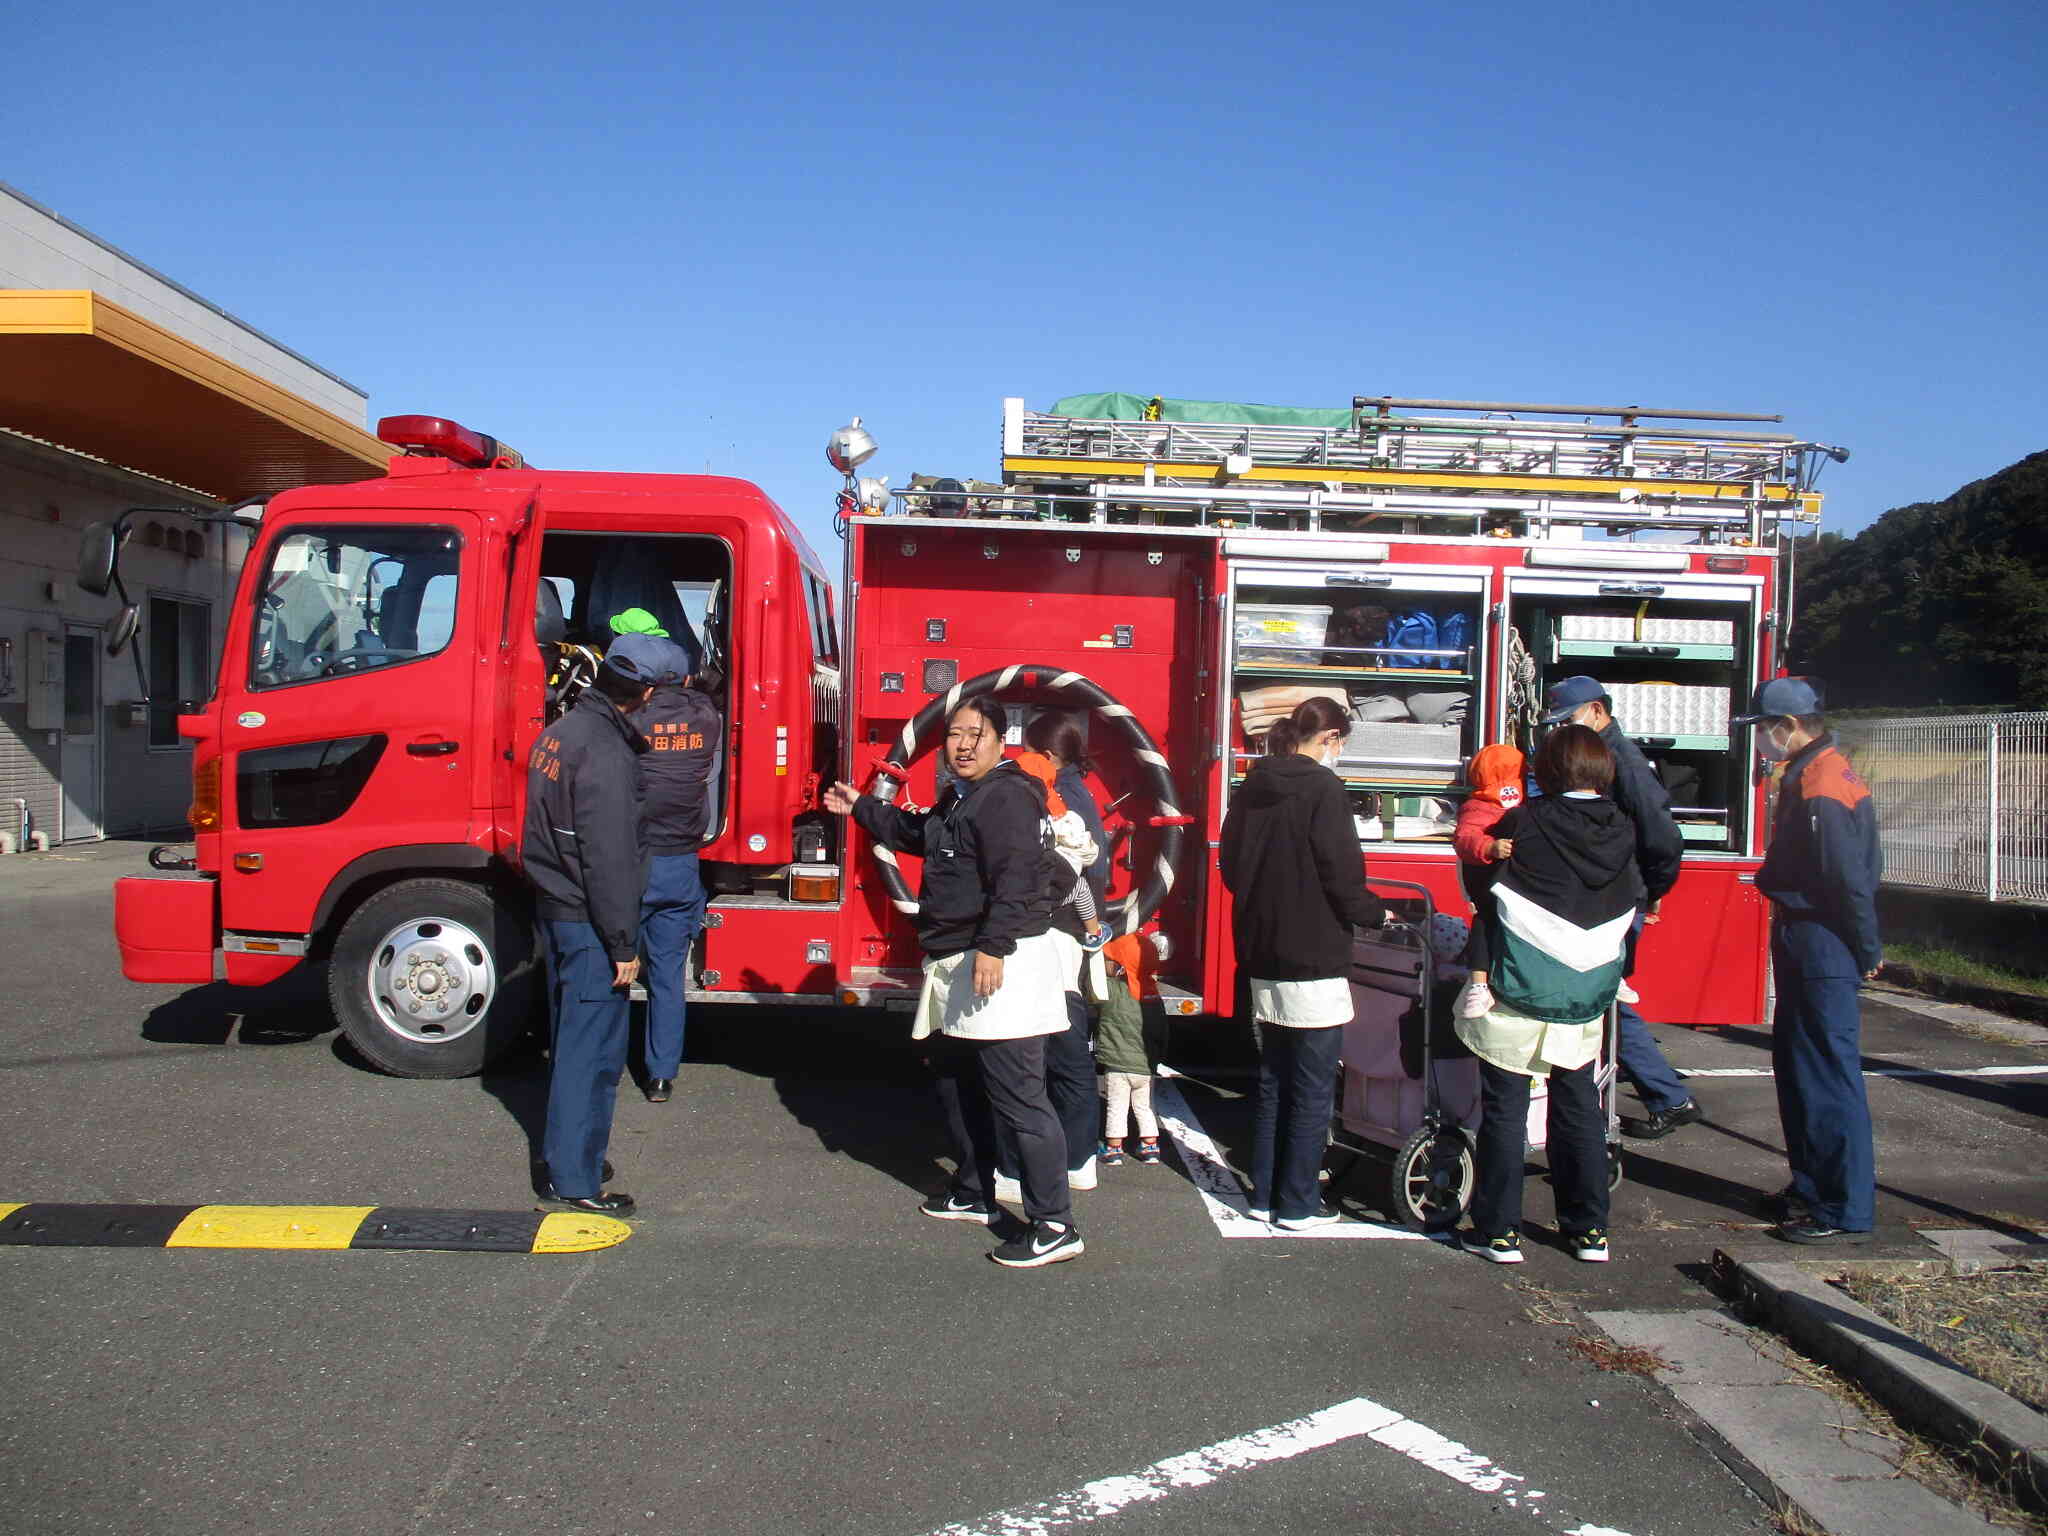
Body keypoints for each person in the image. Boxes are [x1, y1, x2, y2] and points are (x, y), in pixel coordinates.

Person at [824, 696, 1084, 1268]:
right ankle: (975, 1191)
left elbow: (1018, 879)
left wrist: (994, 948)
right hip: (956, 962)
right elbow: (921, 834)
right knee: (957, 1080)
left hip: (999, 964)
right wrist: (862, 807)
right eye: (955, 735)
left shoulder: (1009, 797)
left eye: (976, 734)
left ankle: (1055, 1224)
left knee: (1019, 1096)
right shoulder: (964, 795)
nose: (963, 744)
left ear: (1000, 740)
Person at [1456, 724, 1641, 1265]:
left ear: (1546, 772)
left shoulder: (1523, 823)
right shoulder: (1622, 828)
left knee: (1506, 1108)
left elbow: (1481, 889)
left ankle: (1499, 1232)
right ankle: (1589, 1230)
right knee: (1579, 1102)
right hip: (1586, 987)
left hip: (1520, 981)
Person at [1219, 695, 1388, 1230]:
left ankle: (1267, 1194)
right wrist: (1374, 914)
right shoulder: (1324, 789)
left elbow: (1229, 865)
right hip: (1314, 952)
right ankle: (1297, 1203)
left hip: (1262, 951)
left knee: (1274, 1079)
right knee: (1313, 1085)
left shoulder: (1252, 788)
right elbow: (1343, 874)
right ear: (1331, 738)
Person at [1735, 677, 1883, 1244]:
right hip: (1811, 935)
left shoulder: (1820, 783)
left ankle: (1841, 1205)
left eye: (1765, 731)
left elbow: (1846, 879)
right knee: (1800, 1069)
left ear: (1788, 727)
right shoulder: (1816, 772)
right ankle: (1813, 1186)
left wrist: (1865, 946)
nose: (1762, 744)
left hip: (1823, 938)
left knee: (1824, 1073)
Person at [522, 632, 663, 1216]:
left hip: (558, 909)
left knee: (571, 1044)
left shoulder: (561, 732)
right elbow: (607, 859)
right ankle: (576, 1179)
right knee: (593, 1054)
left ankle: (568, 1153)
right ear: (647, 692)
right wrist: (623, 942)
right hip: (589, 920)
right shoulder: (605, 753)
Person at [1540, 677, 1702, 1139]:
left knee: (1605, 998)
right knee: (1607, 997)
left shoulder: (1622, 762)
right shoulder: (1607, 755)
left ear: (1595, 711)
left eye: (1566, 720)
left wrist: (1650, 889)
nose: (1559, 731)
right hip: (1618, 895)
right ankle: (1662, 1090)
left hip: (1618, 898)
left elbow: (1663, 835)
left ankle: (1669, 1096)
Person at [986, 712, 1114, 1199]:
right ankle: (1078, 1159)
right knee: (1067, 1055)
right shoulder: (1075, 789)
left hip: (1047, 940)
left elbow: (1076, 869)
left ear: (1043, 753)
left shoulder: (1053, 795)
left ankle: (1026, 1169)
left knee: (1035, 1060)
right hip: (1067, 938)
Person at [631, 633, 720, 1103]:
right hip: (681, 863)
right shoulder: (706, 718)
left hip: (632, 863)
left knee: (615, 967)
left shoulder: (629, 720)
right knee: (668, 975)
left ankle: (599, 1064)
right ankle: (661, 1074)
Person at [1452, 742, 1526, 1017]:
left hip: (1508, 885)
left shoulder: (1519, 804)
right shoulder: (1476, 806)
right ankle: (1479, 986)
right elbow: (1464, 839)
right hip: (1488, 883)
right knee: (1483, 924)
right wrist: (1490, 847)